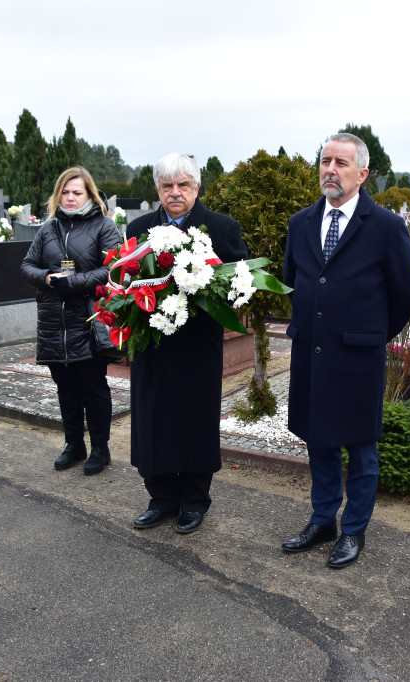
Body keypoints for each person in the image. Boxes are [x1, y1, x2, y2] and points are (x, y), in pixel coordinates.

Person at [281, 133, 410, 568]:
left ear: (362, 173)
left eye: (341, 163)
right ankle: (323, 519)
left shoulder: (386, 227)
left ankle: (354, 530)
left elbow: (406, 294)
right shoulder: (301, 223)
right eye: (325, 161)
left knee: (360, 448)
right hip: (310, 352)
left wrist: (371, 335)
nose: (330, 170)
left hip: (357, 356)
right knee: (318, 440)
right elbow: (293, 282)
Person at [126, 153, 248, 534]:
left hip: (197, 347)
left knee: (194, 420)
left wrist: (200, 294)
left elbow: (239, 285)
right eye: (167, 186)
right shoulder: (141, 227)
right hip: (153, 347)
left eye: (183, 185)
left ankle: (194, 501)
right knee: (153, 419)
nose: (175, 193)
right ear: (158, 191)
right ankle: (161, 498)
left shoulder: (221, 228)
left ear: (197, 187)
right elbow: (123, 278)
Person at [20, 167, 122, 475]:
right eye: (65, 192)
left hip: (89, 318)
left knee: (93, 386)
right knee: (65, 387)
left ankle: (101, 449)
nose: (71, 198)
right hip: (54, 320)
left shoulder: (103, 226)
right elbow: (26, 266)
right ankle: (74, 444)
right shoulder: (48, 228)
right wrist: (48, 279)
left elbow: (115, 267)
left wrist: (75, 282)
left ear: (89, 194)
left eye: (77, 192)